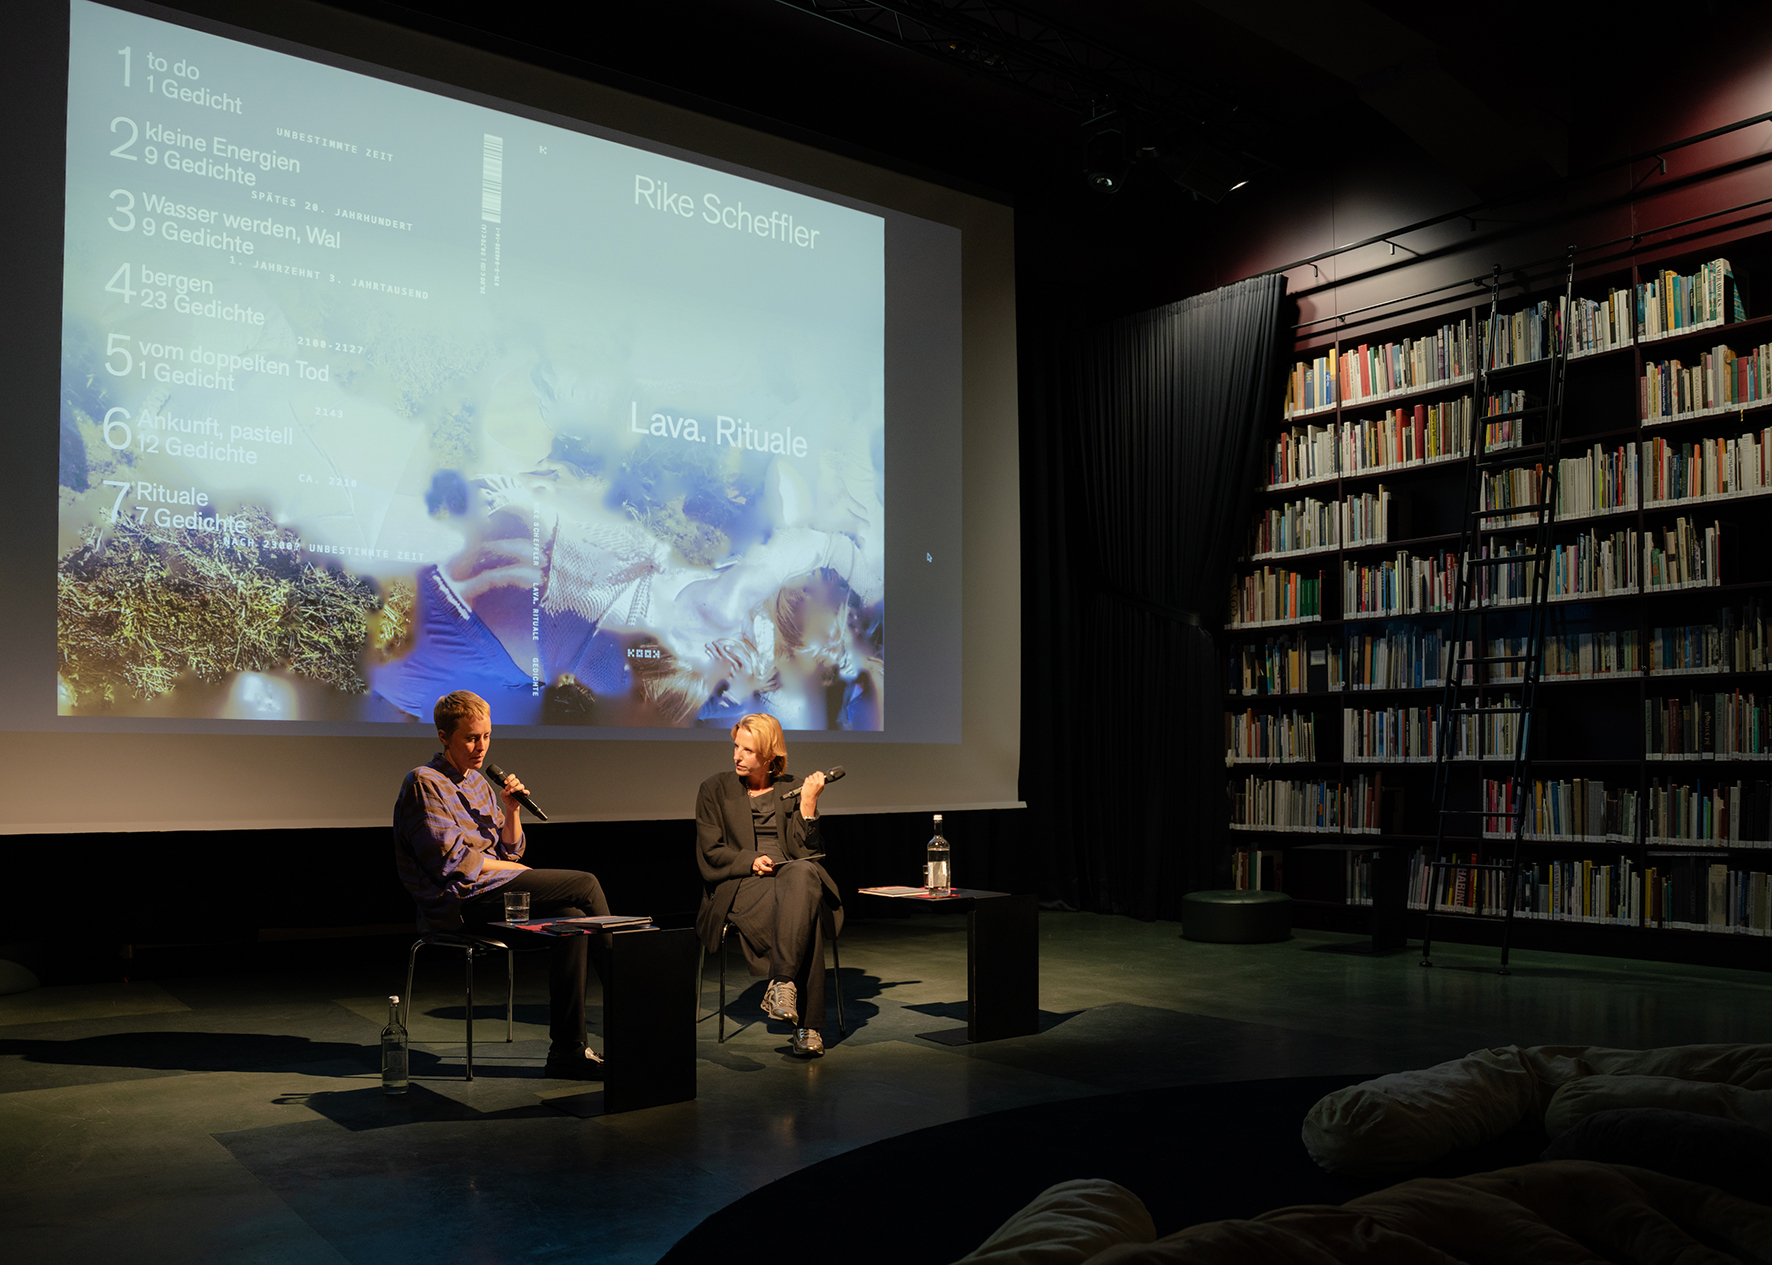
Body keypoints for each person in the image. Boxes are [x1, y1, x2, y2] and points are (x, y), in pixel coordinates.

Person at [393, 689, 610, 1079]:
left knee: (572, 918)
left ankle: (567, 1051)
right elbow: (455, 866)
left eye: (487, 736)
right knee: (585, 883)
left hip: (495, 895)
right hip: (459, 906)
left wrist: (511, 811)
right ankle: (630, 995)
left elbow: (510, 852)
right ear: (444, 736)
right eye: (471, 738)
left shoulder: (478, 783)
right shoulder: (424, 782)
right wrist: (520, 872)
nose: (481, 747)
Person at [695, 713, 843, 1057]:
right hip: (741, 881)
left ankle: (781, 983)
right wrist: (749, 860)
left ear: (769, 756)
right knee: (805, 918)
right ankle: (809, 1026)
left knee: (804, 876)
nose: (737, 756)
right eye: (736, 747)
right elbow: (710, 851)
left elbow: (807, 853)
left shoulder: (789, 788)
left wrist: (808, 804)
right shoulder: (714, 789)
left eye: (747, 750)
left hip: (791, 877)